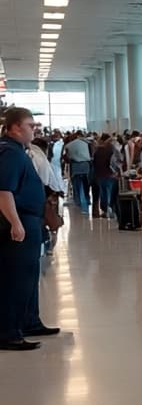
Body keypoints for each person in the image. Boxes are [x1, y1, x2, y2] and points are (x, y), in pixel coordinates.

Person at [0, 107, 59, 350]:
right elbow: (4, 190)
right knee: (17, 277)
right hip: (20, 219)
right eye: (29, 125)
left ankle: (29, 320)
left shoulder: (18, 150)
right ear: (14, 127)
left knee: (30, 273)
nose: (34, 129)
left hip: (29, 219)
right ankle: (8, 332)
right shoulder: (10, 152)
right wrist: (15, 222)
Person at [91, 133, 120, 218]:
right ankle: (111, 210)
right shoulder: (112, 150)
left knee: (103, 193)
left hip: (100, 175)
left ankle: (105, 210)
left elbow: (94, 163)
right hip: (111, 174)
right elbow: (118, 161)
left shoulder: (97, 151)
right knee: (111, 193)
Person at [63, 131, 92, 211]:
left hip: (75, 166)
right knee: (86, 185)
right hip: (86, 165)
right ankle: (87, 199)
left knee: (76, 185)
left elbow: (66, 157)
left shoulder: (68, 145)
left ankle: (78, 201)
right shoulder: (86, 143)